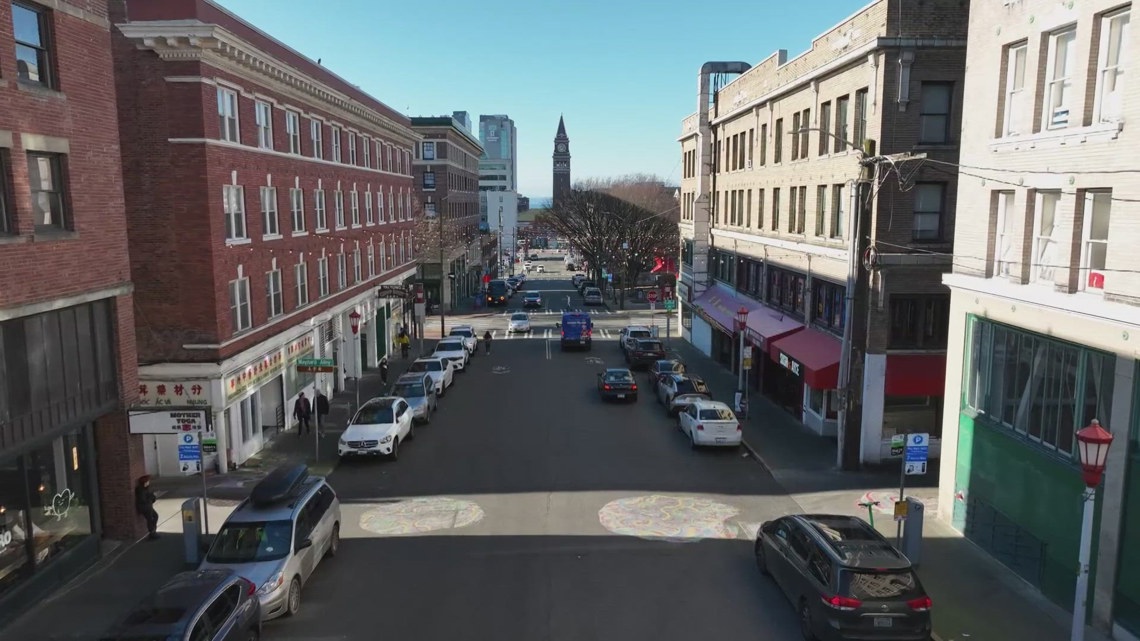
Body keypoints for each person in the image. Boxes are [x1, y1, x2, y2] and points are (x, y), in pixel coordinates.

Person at [135, 475, 159, 540]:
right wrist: (151, 497)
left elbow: (151, 498)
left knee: (155, 516)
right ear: (144, 482)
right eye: (147, 481)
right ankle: (152, 533)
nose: (149, 482)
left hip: (148, 506)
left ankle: (153, 531)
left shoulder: (146, 489)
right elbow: (143, 500)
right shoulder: (141, 490)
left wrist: (153, 496)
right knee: (150, 519)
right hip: (145, 507)